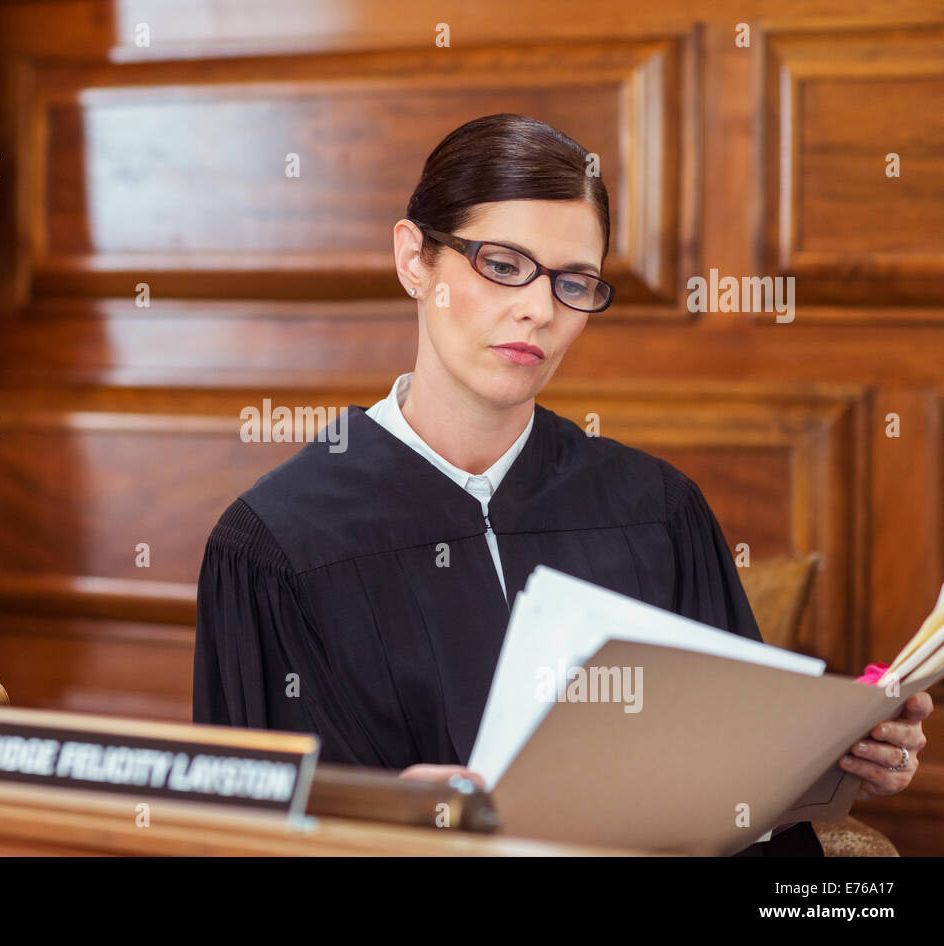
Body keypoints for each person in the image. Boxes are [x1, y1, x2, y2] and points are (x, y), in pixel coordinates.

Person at [192, 113, 931, 856]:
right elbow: (246, 832)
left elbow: (739, 803)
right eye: (504, 266)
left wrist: (827, 760)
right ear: (414, 259)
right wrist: (378, 825)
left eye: (573, 282)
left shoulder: (656, 512)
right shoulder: (277, 545)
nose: (539, 311)